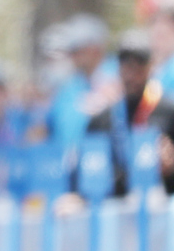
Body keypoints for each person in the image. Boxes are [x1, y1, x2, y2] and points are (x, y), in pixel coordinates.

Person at [87, 30, 174, 196]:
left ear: (151, 67)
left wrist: (170, 168)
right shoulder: (102, 120)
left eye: (138, 66)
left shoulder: (169, 112)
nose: (131, 74)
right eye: (125, 65)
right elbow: (90, 172)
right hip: (116, 211)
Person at [46, 13, 119, 150]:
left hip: (108, 161)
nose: (73, 56)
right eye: (72, 51)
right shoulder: (68, 87)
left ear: (95, 48)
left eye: (78, 50)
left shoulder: (118, 76)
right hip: (71, 163)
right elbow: (53, 125)